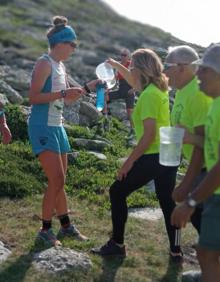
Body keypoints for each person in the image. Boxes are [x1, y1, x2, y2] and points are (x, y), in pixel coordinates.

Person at [91, 48, 182, 260]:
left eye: (132, 67)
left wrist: (128, 163)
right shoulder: (158, 87)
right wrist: (116, 65)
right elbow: (133, 80)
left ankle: (117, 244)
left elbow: (148, 135)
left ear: (141, 69)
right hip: (168, 152)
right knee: (168, 203)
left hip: (154, 154)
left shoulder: (149, 95)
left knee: (117, 191)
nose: (130, 71)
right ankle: (176, 251)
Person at [28, 15, 98, 246]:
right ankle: (45, 229)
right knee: (56, 180)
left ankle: (66, 226)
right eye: (73, 45)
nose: (74, 49)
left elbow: (66, 100)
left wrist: (86, 88)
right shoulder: (44, 63)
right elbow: (33, 97)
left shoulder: (60, 66)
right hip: (42, 125)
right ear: (60, 43)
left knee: (61, 180)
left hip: (57, 125)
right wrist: (61, 94)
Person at [171, 43, 220, 282]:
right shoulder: (214, 104)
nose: (198, 74)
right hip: (213, 189)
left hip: (215, 188)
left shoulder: (209, 104)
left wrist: (190, 199)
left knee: (207, 253)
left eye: (205, 70)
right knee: (206, 252)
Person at [164, 45, 212, 235]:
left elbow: (205, 141)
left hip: (208, 168)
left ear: (182, 67)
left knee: (202, 219)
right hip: (199, 167)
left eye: (167, 66)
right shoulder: (183, 90)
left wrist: (186, 183)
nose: (165, 72)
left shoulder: (198, 93)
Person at [104, 48, 135, 133]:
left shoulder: (131, 65)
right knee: (105, 97)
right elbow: (114, 81)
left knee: (130, 112)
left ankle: (133, 130)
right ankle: (105, 119)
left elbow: (137, 79)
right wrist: (108, 89)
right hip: (120, 90)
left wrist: (134, 89)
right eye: (121, 55)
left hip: (129, 91)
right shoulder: (118, 66)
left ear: (129, 56)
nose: (122, 57)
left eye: (125, 55)